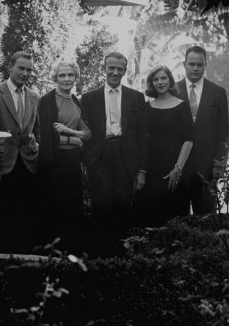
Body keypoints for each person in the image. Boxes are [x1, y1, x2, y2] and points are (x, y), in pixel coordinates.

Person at [81, 51, 148, 257]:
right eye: (111, 68)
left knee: (122, 206)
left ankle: (120, 257)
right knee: (101, 205)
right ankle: (98, 257)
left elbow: (143, 135)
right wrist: (88, 160)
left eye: (120, 69)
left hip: (126, 157)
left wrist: (142, 170)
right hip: (99, 157)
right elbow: (84, 130)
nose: (115, 72)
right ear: (105, 68)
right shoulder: (89, 97)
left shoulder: (136, 97)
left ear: (125, 71)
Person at [0, 51, 40, 252]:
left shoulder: (34, 96)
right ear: (10, 68)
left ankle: (22, 257)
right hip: (2, 164)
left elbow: (37, 131)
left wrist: (35, 146)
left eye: (29, 70)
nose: (25, 73)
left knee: (26, 213)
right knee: (3, 212)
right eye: (21, 68)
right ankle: (1, 256)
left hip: (28, 164)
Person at [38, 60, 91, 254]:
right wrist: (74, 140)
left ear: (76, 77)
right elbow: (45, 135)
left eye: (70, 75)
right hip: (54, 161)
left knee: (72, 208)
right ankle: (51, 254)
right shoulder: (47, 100)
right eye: (62, 75)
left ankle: (70, 253)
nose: (66, 79)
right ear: (55, 78)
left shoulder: (76, 100)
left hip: (72, 162)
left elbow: (87, 133)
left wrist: (72, 133)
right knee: (54, 207)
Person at [133, 66, 194, 227]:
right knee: (149, 217)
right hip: (152, 170)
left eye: (163, 78)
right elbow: (142, 140)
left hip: (175, 168)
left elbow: (188, 140)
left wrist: (177, 169)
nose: (160, 82)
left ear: (170, 80)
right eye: (156, 79)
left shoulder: (182, 105)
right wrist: (142, 170)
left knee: (174, 218)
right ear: (151, 83)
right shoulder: (146, 107)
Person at [176, 45, 229, 215]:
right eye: (191, 64)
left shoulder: (218, 93)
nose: (196, 68)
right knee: (177, 220)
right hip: (178, 167)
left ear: (205, 65)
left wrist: (219, 165)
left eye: (200, 64)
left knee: (206, 219)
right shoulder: (172, 91)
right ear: (184, 64)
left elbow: (223, 131)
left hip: (207, 169)